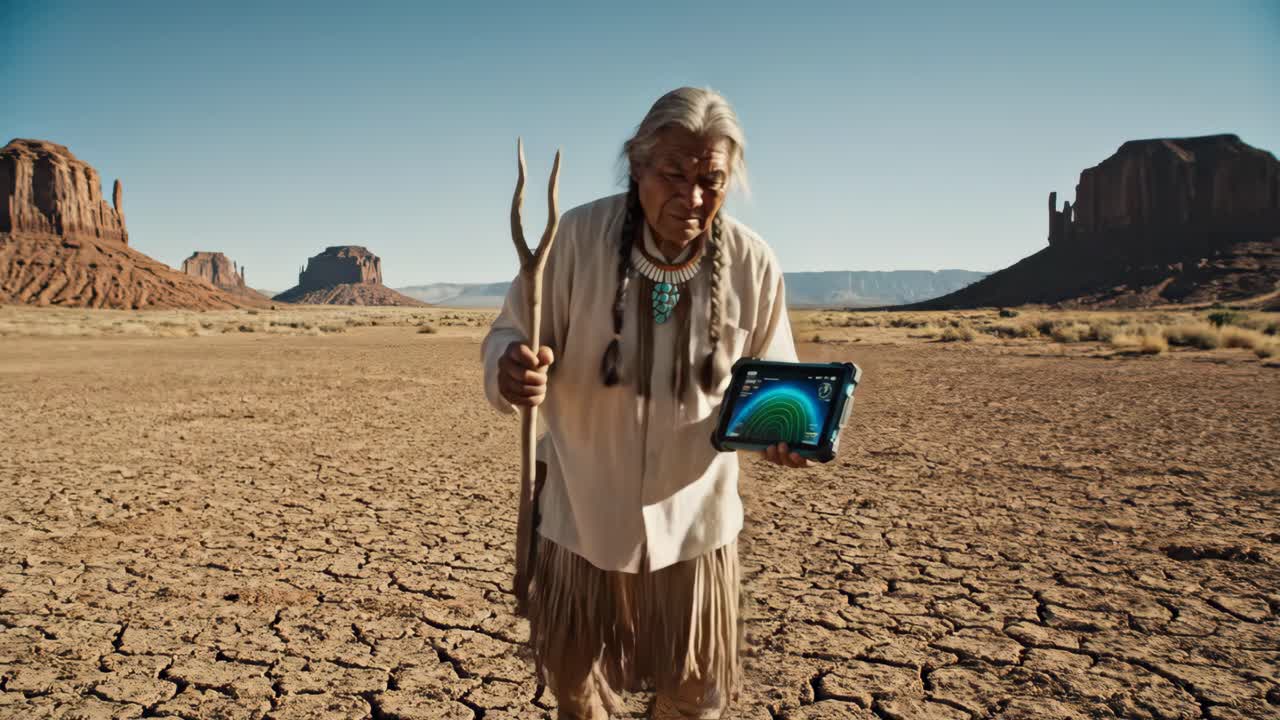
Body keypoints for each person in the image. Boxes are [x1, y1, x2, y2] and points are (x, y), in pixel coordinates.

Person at [481, 86, 806, 720]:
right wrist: (511, 369)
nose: (691, 197)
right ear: (637, 164)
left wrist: (786, 431)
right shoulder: (572, 238)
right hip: (579, 509)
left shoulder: (754, 262)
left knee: (695, 692)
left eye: (711, 180)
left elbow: (778, 379)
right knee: (572, 680)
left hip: (696, 523)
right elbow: (510, 334)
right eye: (673, 175)